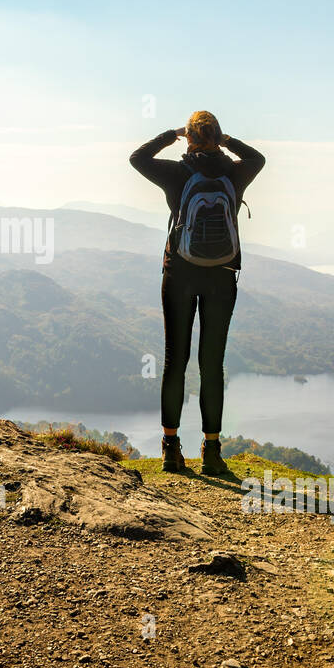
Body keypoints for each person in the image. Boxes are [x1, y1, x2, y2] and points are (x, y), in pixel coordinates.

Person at [129, 110, 265, 474]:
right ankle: (212, 451)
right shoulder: (235, 172)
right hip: (221, 276)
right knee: (211, 365)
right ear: (218, 136)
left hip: (179, 274)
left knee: (176, 361)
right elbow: (258, 158)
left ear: (188, 139)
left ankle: (171, 448)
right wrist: (228, 143)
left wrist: (168, 135)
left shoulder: (177, 173)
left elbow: (137, 158)